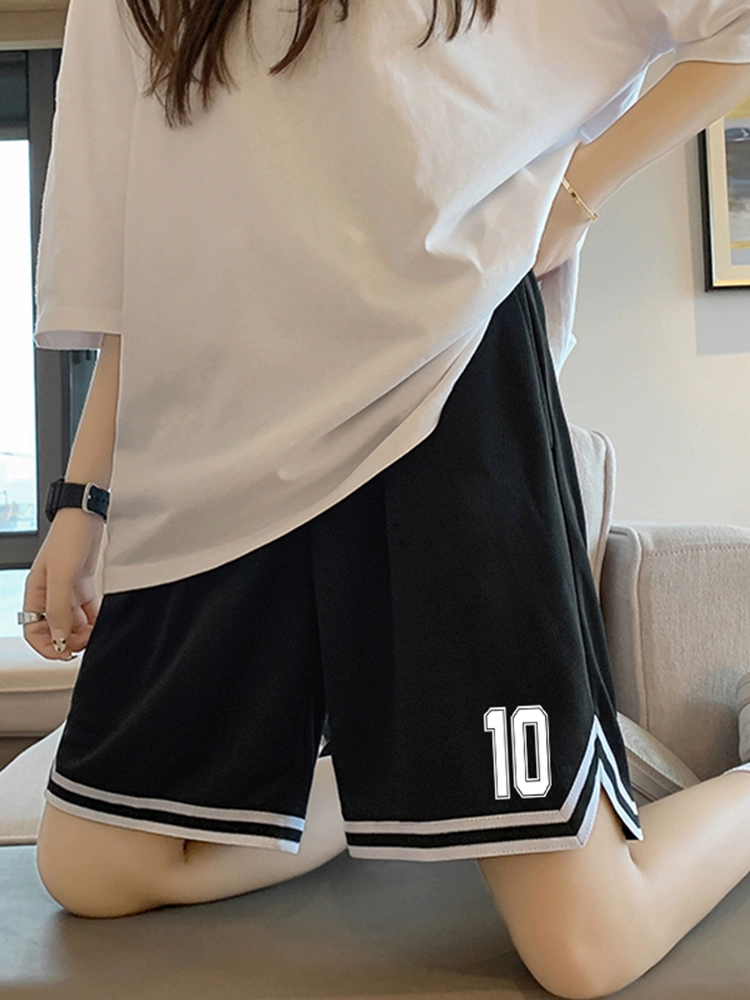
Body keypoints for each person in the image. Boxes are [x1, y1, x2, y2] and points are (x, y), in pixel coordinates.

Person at [18, 0, 750, 995]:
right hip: (215, 442)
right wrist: (83, 497)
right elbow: (135, 234)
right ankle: (387, 780)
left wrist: (576, 193)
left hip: (442, 394)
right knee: (92, 866)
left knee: (586, 946)